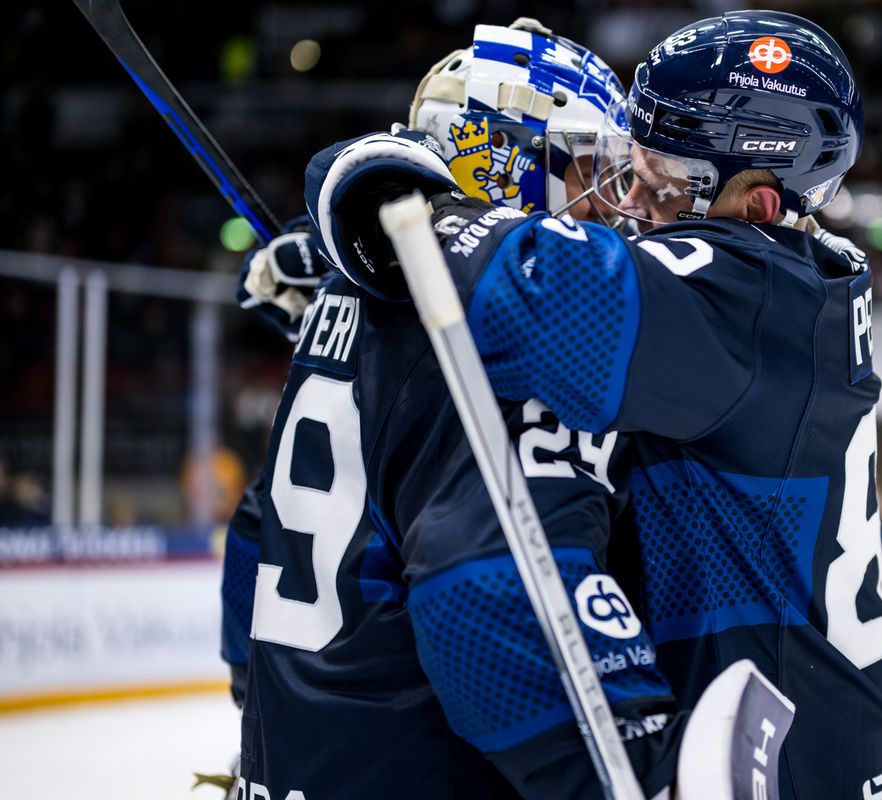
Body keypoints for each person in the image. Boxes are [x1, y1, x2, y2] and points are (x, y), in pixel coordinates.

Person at [310, 10, 882, 799]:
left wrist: (409, 203)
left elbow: (534, 304)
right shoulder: (784, 298)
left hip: (783, 763)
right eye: (637, 171)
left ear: (759, 207)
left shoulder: (746, 294)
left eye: (667, 188)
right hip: (795, 734)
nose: (632, 204)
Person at [222, 21, 787, 800]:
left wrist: (257, 721)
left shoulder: (350, 300)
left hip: (299, 758)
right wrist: (633, 766)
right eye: (587, 165)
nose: (614, 200)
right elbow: (490, 587)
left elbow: (254, 536)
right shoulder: (506, 345)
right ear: (500, 161)